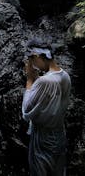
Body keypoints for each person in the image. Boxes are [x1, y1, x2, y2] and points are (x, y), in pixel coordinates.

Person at [22, 44, 71, 176]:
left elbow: (26, 112)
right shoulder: (65, 76)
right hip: (59, 134)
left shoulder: (44, 81)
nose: (31, 64)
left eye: (31, 60)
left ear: (37, 56)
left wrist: (30, 80)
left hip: (43, 139)